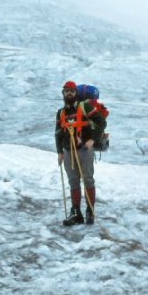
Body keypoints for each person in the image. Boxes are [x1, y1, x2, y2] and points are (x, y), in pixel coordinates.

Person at [55, 80, 106, 226]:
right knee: (73, 182)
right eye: (66, 91)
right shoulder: (61, 113)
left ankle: (90, 211)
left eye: (71, 91)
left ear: (75, 93)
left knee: (88, 179)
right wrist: (59, 152)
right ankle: (76, 213)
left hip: (84, 150)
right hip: (68, 151)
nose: (69, 93)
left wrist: (93, 140)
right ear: (63, 93)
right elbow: (57, 133)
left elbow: (101, 122)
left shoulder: (85, 107)